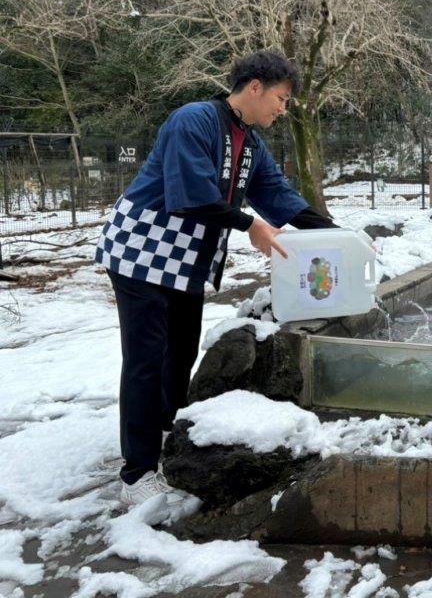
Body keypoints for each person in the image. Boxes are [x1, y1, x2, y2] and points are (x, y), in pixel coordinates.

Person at [95, 49, 336, 505]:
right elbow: (191, 195)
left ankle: (166, 430)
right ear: (255, 87)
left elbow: (275, 194)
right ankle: (137, 472)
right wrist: (250, 225)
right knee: (147, 357)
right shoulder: (194, 120)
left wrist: (337, 235)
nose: (283, 110)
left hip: (185, 259)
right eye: (281, 99)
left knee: (181, 349)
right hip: (141, 251)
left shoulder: (249, 141)